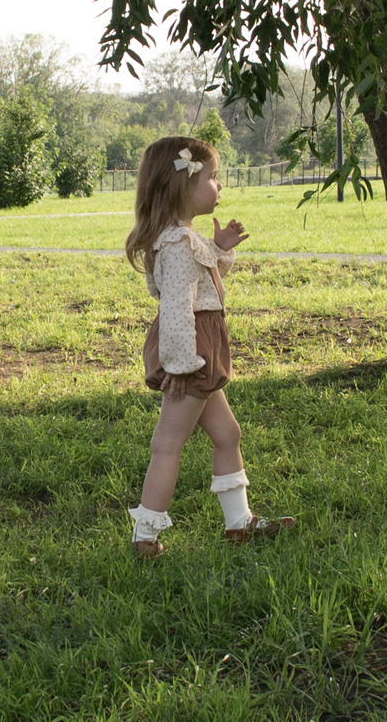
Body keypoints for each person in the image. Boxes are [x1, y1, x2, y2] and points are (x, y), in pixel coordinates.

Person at [122, 135, 294, 557]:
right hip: (191, 351)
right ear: (185, 184)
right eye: (214, 178)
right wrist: (182, 364)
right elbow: (178, 306)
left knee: (227, 433)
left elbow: (203, 286)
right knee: (168, 442)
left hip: (200, 348)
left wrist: (219, 250)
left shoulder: (183, 237)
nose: (220, 187)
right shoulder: (177, 244)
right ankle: (145, 535)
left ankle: (239, 522)